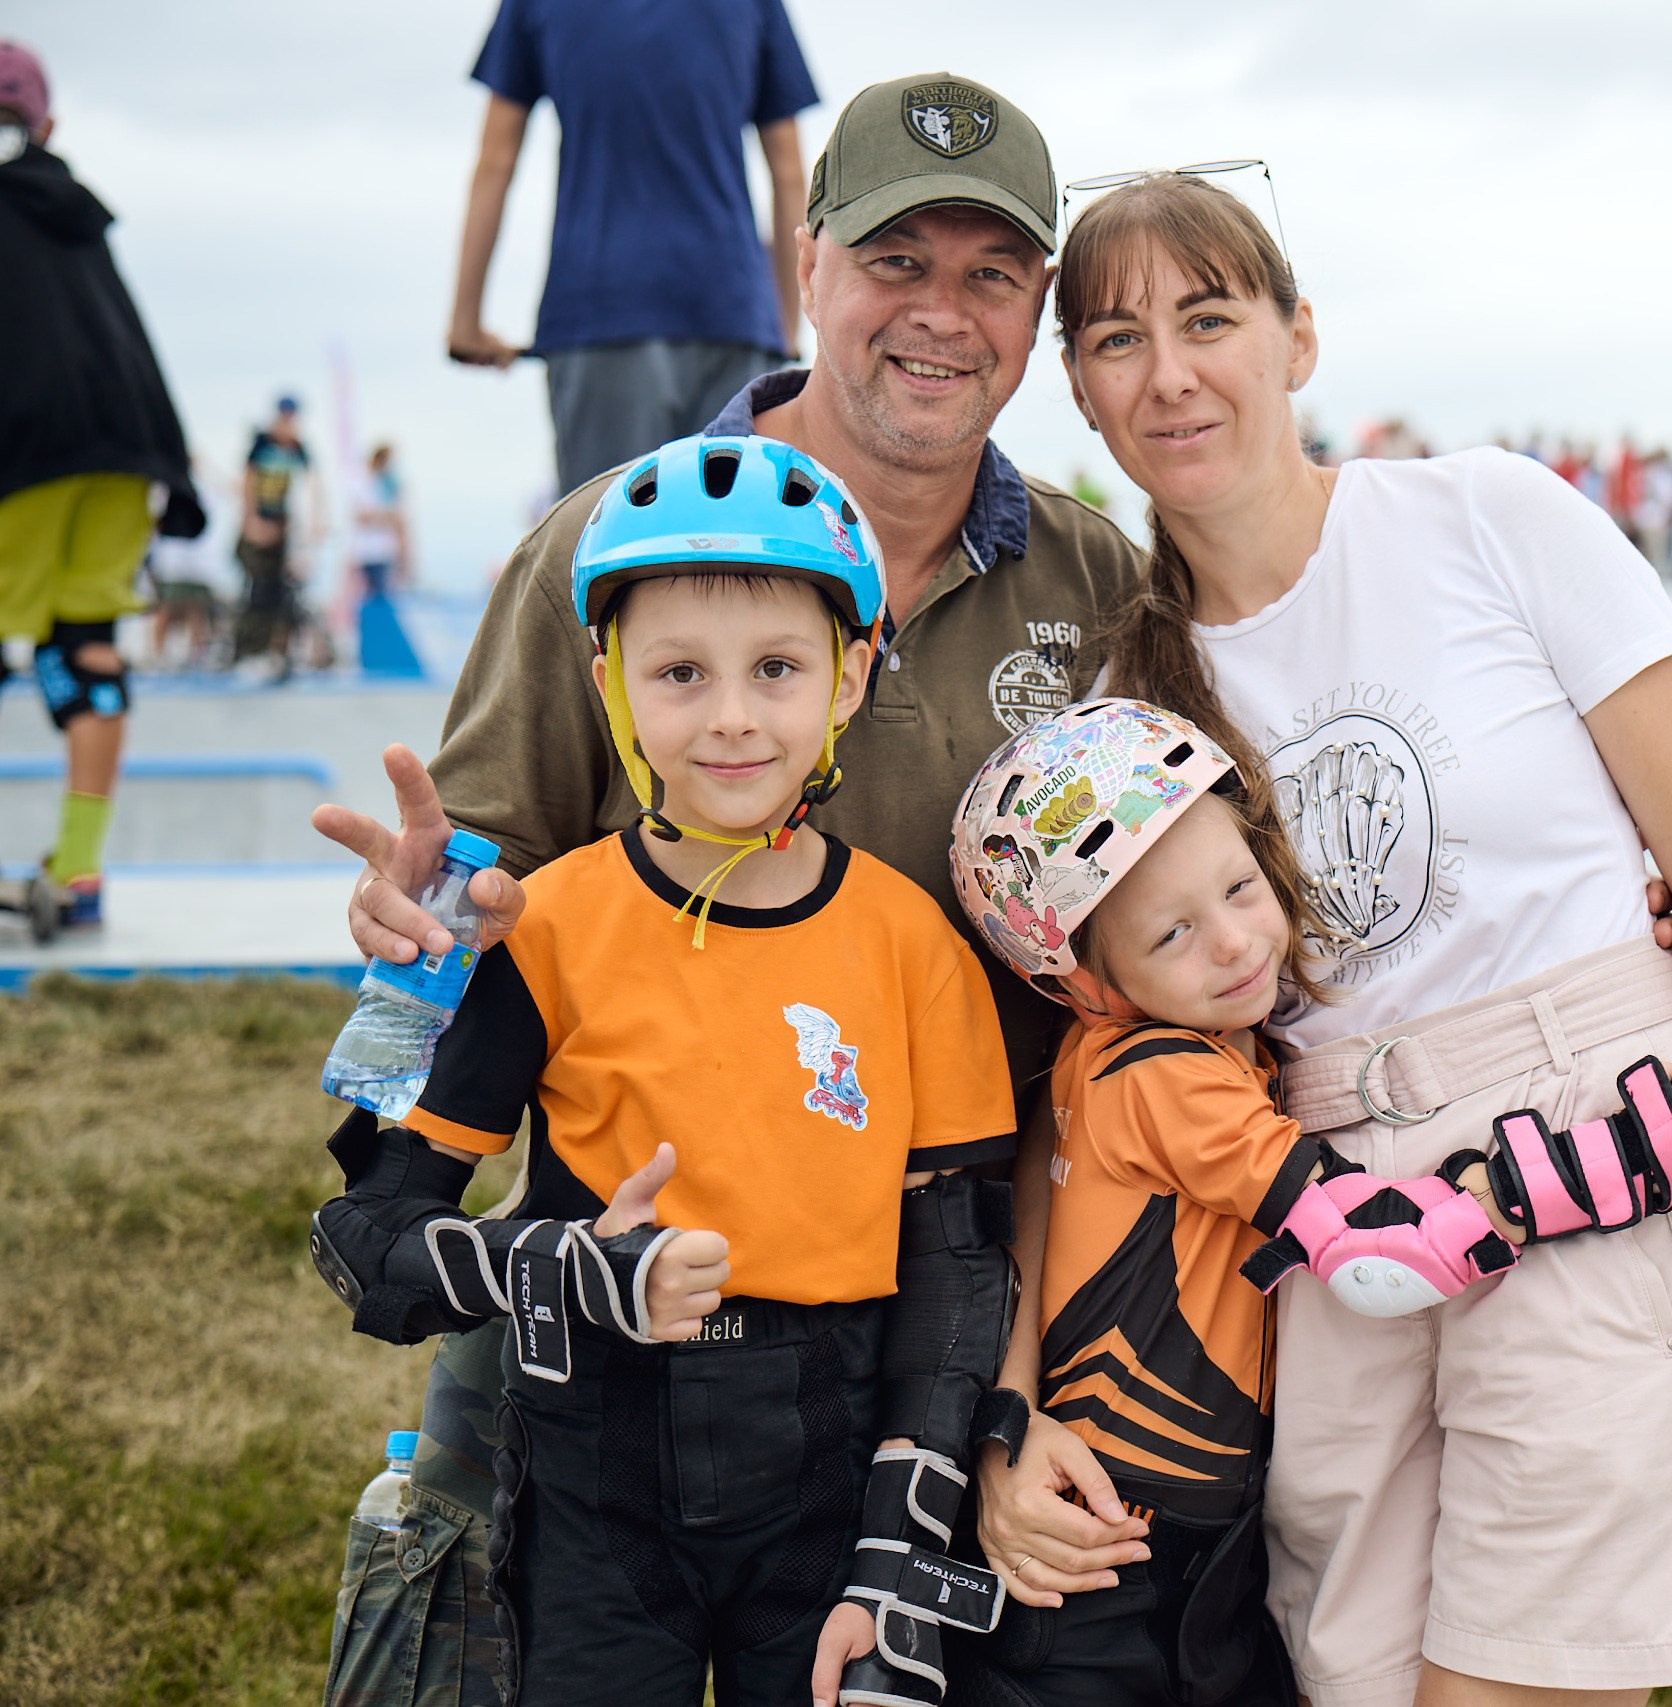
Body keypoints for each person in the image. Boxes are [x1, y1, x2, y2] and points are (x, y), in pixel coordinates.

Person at [314, 73, 1146, 1707]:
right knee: (483, 1614)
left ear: (1037, 306)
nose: (941, 312)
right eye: (896, 260)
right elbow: (466, 885)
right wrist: (412, 950)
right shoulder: (604, 552)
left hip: (956, 1239)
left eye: (991, 273)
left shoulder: (1093, 576)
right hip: (618, 1255)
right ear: (806, 260)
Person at [1036, 171, 1672, 1706]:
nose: (1170, 374)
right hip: (1334, 1206)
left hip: (1596, 1136)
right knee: (1353, 1674)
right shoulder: (1127, 700)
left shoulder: (1489, 518)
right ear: (1079, 388)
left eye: (1209, 319)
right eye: (1117, 339)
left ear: (1298, 337)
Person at [311, 432, 1026, 1705]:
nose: (733, 715)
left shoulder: (915, 946)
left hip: (828, 1468)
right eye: (681, 673)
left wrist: (900, 1539)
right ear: (611, 685)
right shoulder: (545, 925)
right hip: (596, 1469)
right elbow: (364, 1235)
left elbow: (958, 1268)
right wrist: (556, 1267)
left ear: (850, 677)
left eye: (777, 668)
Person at [927, 697, 1672, 1707]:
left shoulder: (1126, 1053)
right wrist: (1612, 1158)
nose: (1234, 944)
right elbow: (1376, 1257)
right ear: (1087, 984)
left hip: (1156, 1530)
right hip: (1121, 1547)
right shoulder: (1163, 1078)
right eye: (1173, 934)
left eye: (1239, 888)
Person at [446, 0, 822, 491]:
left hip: (600, 310)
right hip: (733, 313)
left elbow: (496, 161)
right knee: (734, 530)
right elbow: (789, 172)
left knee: (609, 528)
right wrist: (784, 324)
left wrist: (466, 321)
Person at [0, 36, 205, 929]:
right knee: (85, 649)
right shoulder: (76, 210)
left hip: (24, 451)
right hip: (127, 455)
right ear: (46, 124)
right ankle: (79, 869)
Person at [233, 396, 315, 677]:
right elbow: (248, 481)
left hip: (286, 529)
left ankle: (278, 653)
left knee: (285, 593)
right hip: (260, 525)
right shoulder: (262, 445)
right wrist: (251, 520)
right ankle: (248, 651)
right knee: (258, 591)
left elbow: (310, 484)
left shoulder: (299, 448)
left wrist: (310, 526)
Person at [352, 442, 410, 600]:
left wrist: (404, 554)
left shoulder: (391, 485)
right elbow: (361, 517)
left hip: (386, 552)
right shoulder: (363, 483)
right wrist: (386, 517)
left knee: (385, 595)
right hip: (367, 552)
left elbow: (399, 519)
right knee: (369, 596)